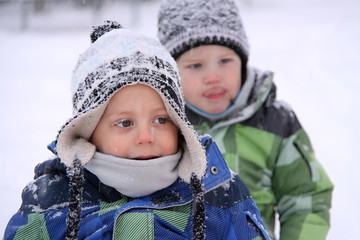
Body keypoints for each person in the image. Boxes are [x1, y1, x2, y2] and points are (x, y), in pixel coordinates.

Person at [3, 21, 270, 240]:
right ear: (87, 130)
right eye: (125, 123)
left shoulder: (218, 192)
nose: (146, 137)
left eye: (161, 120)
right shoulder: (52, 201)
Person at [157, 0, 334, 239]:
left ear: (242, 62)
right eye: (196, 65)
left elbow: (306, 199)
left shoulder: (276, 122)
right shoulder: (160, 125)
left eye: (224, 61)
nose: (212, 76)